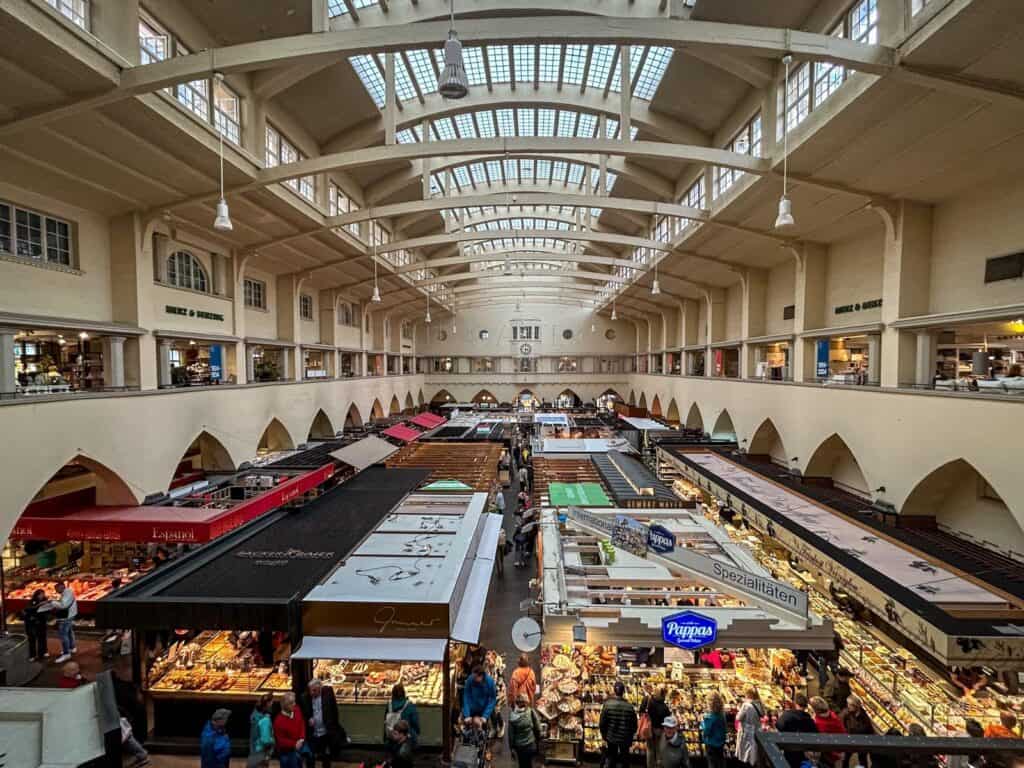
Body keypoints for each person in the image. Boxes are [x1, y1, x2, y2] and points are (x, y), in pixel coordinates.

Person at [299, 679, 343, 768]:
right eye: (310, 690)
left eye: (314, 690)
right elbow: (302, 715)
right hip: (312, 733)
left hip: (325, 732)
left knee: (326, 757)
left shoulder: (328, 693)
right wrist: (308, 719)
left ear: (320, 689)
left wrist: (334, 728)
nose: (311, 693)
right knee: (310, 757)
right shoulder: (304, 697)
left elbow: (334, 711)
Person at [599, 681, 638, 768]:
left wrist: (604, 735)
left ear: (614, 691)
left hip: (611, 737)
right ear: (623, 692)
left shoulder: (607, 705)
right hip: (625, 738)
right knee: (625, 760)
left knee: (612, 759)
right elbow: (634, 724)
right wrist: (631, 735)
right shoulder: (629, 706)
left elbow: (602, 723)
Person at [776, 693, 818, 768]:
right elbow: (816, 735)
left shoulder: (786, 715)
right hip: (803, 753)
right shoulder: (809, 720)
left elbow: (778, 726)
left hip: (789, 750)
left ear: (795, 704)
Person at [39, 580, 77, 663]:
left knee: (63, 635)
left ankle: (66, 653)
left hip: (66, 617)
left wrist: (52, 602)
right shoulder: (66, 592)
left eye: (56, 589)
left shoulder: (68, 593)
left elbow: (63, 605)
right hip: (69, 615)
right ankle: (71, 647)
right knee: (69, 632)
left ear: (61, 586)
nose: (56, 591)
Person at [274, 692, 309, 768]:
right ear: (285, 705)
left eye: (294, 702)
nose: (294, 704)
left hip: (299, 748)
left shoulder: (297, 710)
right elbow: (280, 740)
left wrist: (301, 738)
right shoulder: (278, 721)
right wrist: (294, 744)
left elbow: (302, 723)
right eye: (291, 703)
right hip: (286, 752)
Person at [810, 696, 846, 768]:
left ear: (815, 710)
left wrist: (837, 754)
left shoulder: (819, 723)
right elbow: (843, 732)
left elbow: (825, 744)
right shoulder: (833, 715)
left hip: (829, 754)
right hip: (839, 749)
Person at [840, 694, 875, 768]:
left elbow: (869, 729)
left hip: (861, 741)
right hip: (849, 741)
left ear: (856, 706)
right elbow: (840, 727)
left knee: (863, 759)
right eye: (848, 704)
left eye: (850, 705)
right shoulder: (845, 714)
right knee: (846, 759)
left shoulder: (864, 716)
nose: (848, 706)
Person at [508, 693, 542, 768]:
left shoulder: (512, 717)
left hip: (519, 747)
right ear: (525, 703)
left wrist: (511, 748)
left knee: (522, 763)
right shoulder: (530, 712)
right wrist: (539, 738)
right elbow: (538, 727)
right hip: (531, 744)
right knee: (529, 762)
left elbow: (511, 735)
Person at [641, 686, 671, 768]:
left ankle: (650, 766)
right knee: (659, 750)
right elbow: (668, 717)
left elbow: (641, 711)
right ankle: (658, 766)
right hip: (659, 731)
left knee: (650, 749)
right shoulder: (663, 706)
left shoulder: (648, 700)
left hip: (649, 728)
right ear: (662, 695)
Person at [462, 664, 497, 731]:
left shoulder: (490, 682)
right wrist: (467, 714)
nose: (473, 678)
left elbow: (492, 699)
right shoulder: (470, 679)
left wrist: (485, 716)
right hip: (472, 709)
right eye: (473, 676)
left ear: (481, 676)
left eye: (475, 677)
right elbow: (466, 696)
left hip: (484, 709)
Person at [736, 687, 765, 766]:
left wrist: (739, 708)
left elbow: (738, 718)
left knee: (745, 752)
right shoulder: (759, 704)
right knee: (753, 751)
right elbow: (762, 714)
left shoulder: (746, 705)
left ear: (748, 694)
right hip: (756, 730)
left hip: (746, 731)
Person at [385, 684, 420, 748]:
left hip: (392, 736)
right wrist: (417, 733)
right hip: (406, 737)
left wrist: (385, 737)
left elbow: (386, 721)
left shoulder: (389, 705)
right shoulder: (409, 705)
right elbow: (415, 722)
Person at [700, 693, 727, 768]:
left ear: (710, 704)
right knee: (721, 760)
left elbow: (706, 731)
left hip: (711, 743)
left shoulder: (709, 718)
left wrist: (702, 722)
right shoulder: (722, 715)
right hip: (720, 742)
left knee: (712, 762)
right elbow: (725, 728)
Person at [22, 588, 50, 662]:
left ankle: (43, 652)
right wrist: (38, 605)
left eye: (43, 594)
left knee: (42, 638)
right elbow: (27, 609)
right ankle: (32, 655)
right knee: (32, 639)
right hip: (31, 623)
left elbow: (47, 612)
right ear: (36, 595)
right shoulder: (31, 602)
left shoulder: (45, 601)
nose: (42, 596)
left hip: (41, 623)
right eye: (40, 594)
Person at [248, 692, 275, 768]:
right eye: (271, 702)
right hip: (262, 753)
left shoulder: (255, 716)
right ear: (267, 704)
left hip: (254, 750)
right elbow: (266, 740)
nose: (272, 704)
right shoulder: (265, 720)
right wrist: (273, 741)